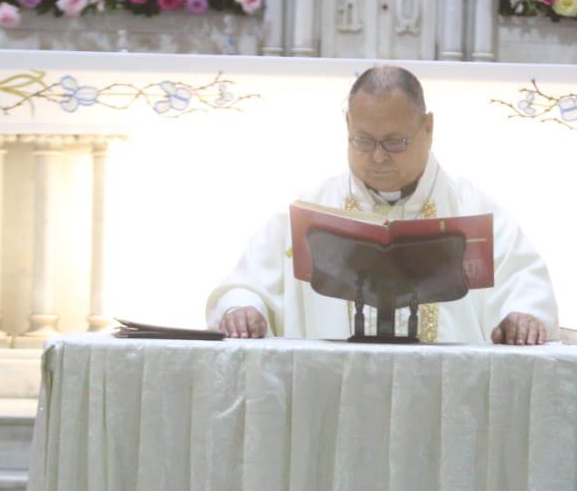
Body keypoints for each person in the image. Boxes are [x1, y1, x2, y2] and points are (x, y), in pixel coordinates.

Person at [207, 66, 558, 345]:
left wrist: (521, 317)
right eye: (363, 140)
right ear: (347, 124)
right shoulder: (308, 212)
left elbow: (523, 289)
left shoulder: (477, 212)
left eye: (395, 142)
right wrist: (243, 310)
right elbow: (246, 286)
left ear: (429, 128)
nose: (377, 156)